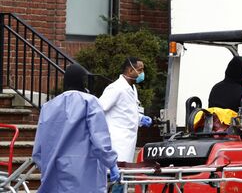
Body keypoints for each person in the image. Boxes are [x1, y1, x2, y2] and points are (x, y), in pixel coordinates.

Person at [32, 64, 120, 192]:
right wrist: (111, 163)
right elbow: (100, 140)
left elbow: (38, 149)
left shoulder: (48, 107)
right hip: (84, 175)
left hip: (55, 174)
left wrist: (48, 168)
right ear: (82, 81)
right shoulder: (90, 102)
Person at [99, 57, 153, 193]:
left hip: (127, 142)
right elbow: (99, 109)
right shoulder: (116, 88)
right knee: (114, 180)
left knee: (123, 179)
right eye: (140, 70)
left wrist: (141, 118)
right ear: (130, 70)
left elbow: (126, 111)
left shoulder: (131, 88)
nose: (142, 73)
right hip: (116, 142)